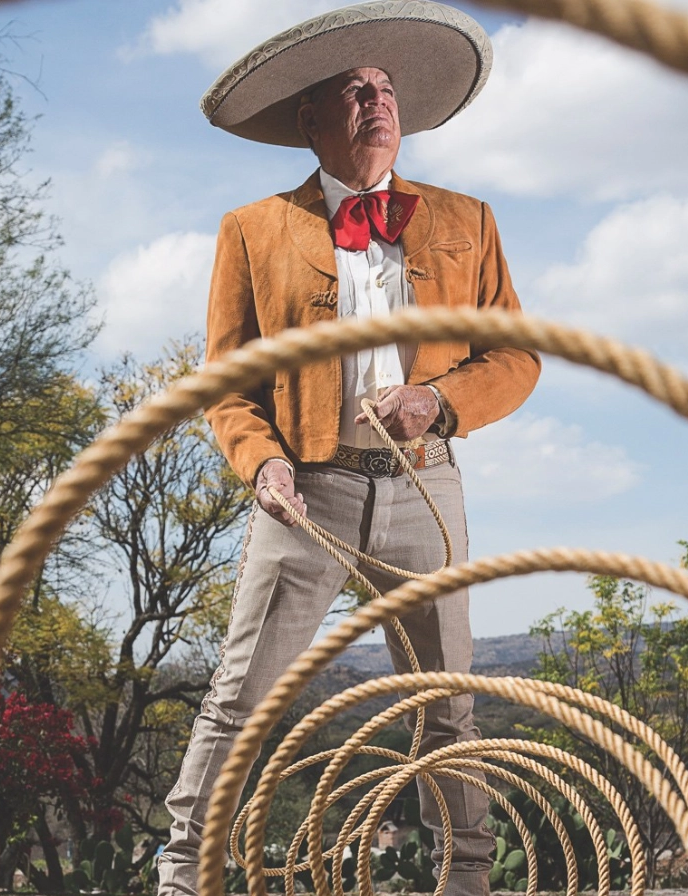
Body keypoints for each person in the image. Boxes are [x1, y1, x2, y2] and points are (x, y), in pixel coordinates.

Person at [157, 3, 541, 895]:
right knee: (242, 698)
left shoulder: (467, 219)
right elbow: (228, 383)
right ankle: (183, 876)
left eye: (387, 88)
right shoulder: (251, 230)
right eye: (355, 90)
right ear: (311, 121)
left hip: (426, 487)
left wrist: (437, 402)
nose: (378, 101)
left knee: (445, 703)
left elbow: (516, 357)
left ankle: (465, 880)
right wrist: (264, 462)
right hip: (308, 492)